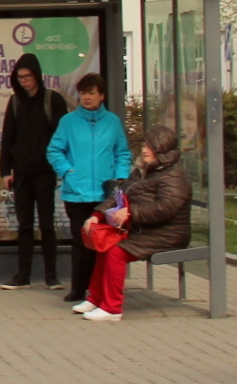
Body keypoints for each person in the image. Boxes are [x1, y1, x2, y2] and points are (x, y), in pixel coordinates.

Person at [78, 127, 192, 321]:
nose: (145, 150)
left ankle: (112, 309)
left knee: (116, 251)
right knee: (104, 245)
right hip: (145, 229)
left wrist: (131, 213)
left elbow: (166, 208)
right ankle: (96, 299)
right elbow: (120, 194)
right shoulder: (143, 171)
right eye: (145, 145)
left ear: (163, 151)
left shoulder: (174, 177)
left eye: (151, 147)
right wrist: (98, 214)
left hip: (167, 234)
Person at [46, 73, 131, 313]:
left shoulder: (112, 122)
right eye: (83, 93)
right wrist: (68, 171)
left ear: (101, 95)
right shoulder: (69, 122)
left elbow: (122, 153)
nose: (86, 97)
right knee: (81, 242)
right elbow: (54, 150)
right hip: (76, 193)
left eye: (91, 93)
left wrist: (120, 177)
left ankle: (100, 291)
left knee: (103, 243)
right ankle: (78, 289)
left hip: (104, 195)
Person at [0, 54, 68, 290]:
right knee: (24, 225)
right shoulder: (15, 102)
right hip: (21, 173)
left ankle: (51, 275)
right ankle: (23, 275)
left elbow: (62, 136)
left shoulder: (53, 100)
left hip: (45, 172)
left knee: (47, 224)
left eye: (28, 77)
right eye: (20, 77)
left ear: (37, 76)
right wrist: (5, 171)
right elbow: (7, 137)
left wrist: (60, 167)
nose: (24, 81)